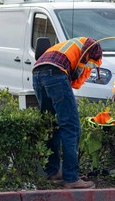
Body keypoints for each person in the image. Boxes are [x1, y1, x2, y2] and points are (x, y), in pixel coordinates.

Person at [32, 37, 102, 189]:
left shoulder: (70, 45)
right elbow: (78, 69)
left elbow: (75, 72)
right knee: (71, 127)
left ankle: (52, 171)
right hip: (56, 74)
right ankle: (71, 178)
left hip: (37, 74)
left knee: (52, 125)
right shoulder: (91, 46)